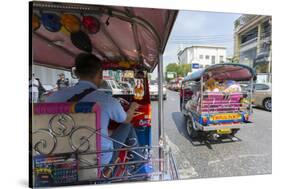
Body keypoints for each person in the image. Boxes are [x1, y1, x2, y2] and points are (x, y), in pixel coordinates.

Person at [46, 53, 143, 177]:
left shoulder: (52, 98)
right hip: (98, 162)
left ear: (76, 73)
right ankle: (140, 163)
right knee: (127, 126)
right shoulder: (107, 100)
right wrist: (133, 106)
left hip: (62, 159)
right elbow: (126, 119)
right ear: (100, 75)